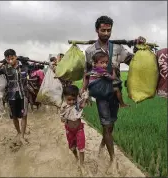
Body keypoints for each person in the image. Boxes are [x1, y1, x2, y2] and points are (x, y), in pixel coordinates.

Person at [81, 15, 146, 168]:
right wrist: (83, 91)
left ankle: (104, 145)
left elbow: (133, 61)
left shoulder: (117, 48)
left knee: (111, 124)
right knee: (106, 124)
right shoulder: (90, 51)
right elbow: (87, 72)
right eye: (103, 30)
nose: (106, 33)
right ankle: (112, 159)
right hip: (100, 92)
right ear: (97, 30)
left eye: (108, 30)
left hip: (115, 89)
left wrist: (139, 47)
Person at [0, 49, 29, 144]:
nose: (10, 60)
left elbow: (38, 66)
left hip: (23, 95)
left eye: (12, 58)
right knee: (14, 116)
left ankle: (22, 136)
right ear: (5, 59)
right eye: (8, 59)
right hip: (11, 96)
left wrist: (24, 60)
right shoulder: (5, 68)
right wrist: (1, 63)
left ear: (16, 56)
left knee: (24, 116)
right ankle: (18, 132)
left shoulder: (24, 66)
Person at [60, 85, 88, 168]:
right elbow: (62, 119)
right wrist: (64, 118)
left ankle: (82, 165)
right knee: (72, 147)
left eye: (73, 99)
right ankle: (76, 157)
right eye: (69, 100)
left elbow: (83, 100)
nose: (72, 101)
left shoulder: (78, 104)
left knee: (81, 147)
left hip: (79, 129)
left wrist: (85, 98)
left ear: (76, 97)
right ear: (64, 97)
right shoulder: (63, 107)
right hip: (69, 130)